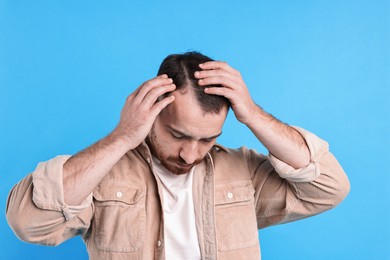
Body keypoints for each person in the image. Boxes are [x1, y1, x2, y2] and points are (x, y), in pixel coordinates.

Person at [6, 51, 350, 260]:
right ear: (153, 113)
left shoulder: (242, 171)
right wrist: (122, 136)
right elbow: (28, 223)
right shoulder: (105, 173)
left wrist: (253, 115)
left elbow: (330, 188)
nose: (190, 154)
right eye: (178, 135)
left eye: (207, 139)